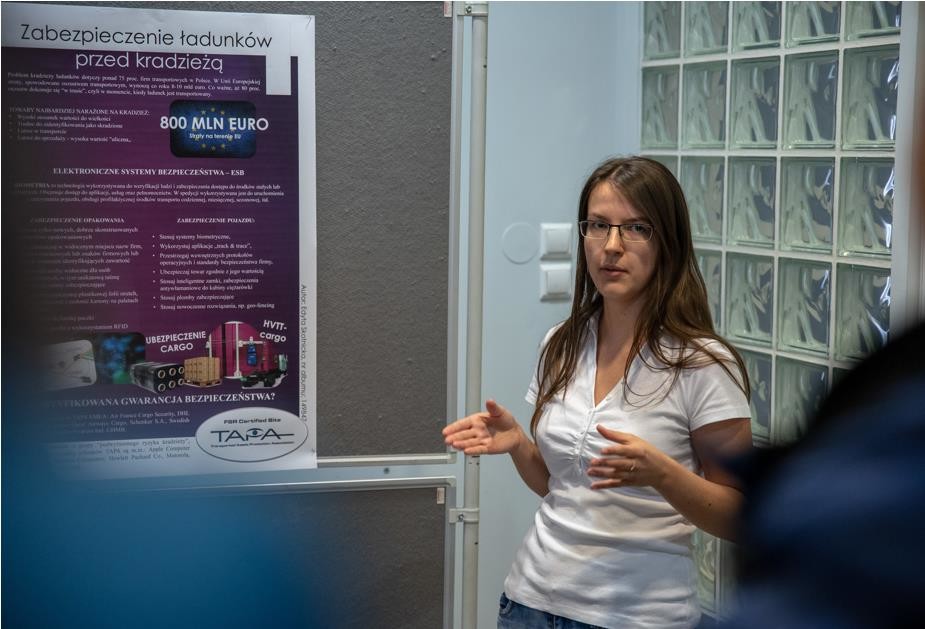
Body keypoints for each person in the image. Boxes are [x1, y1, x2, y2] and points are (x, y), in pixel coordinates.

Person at [444, 157, 753, 628]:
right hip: (530, 604)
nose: (611, 246)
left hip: (638, 616)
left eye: (636, 228)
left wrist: (662, 474)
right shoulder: (562, 342)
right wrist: (519, 445)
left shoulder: (703, 363)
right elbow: (562, 486)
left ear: (668, 242)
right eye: (598, 226)